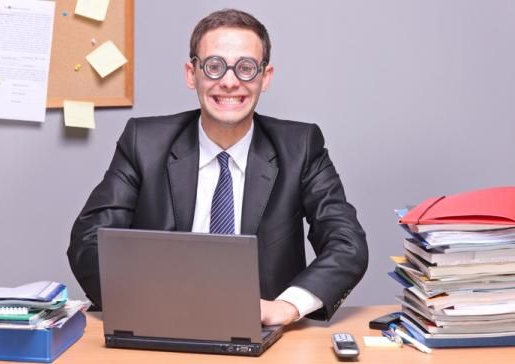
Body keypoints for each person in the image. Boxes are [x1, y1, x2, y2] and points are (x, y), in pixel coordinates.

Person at [68, 8, 368, 325]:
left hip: (265, 336)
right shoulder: (144, 142)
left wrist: (287, 306)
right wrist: (144, 304)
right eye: (214, 67)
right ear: (191, 73)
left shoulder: (301, 146)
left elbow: (346, 243)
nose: (229, 82)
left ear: (265, 77)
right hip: (160, 327)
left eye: (246, 68)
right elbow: (88, 240)